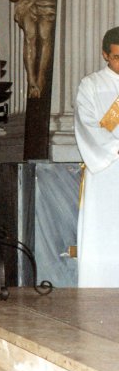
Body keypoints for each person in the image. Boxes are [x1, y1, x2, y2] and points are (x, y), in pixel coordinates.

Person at [74, 26, 119, 287]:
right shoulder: (90, 85)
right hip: (104, 171)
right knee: (103, 232)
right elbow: (86, 124)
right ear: (104, 55)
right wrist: (115, 147)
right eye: (116, 57)